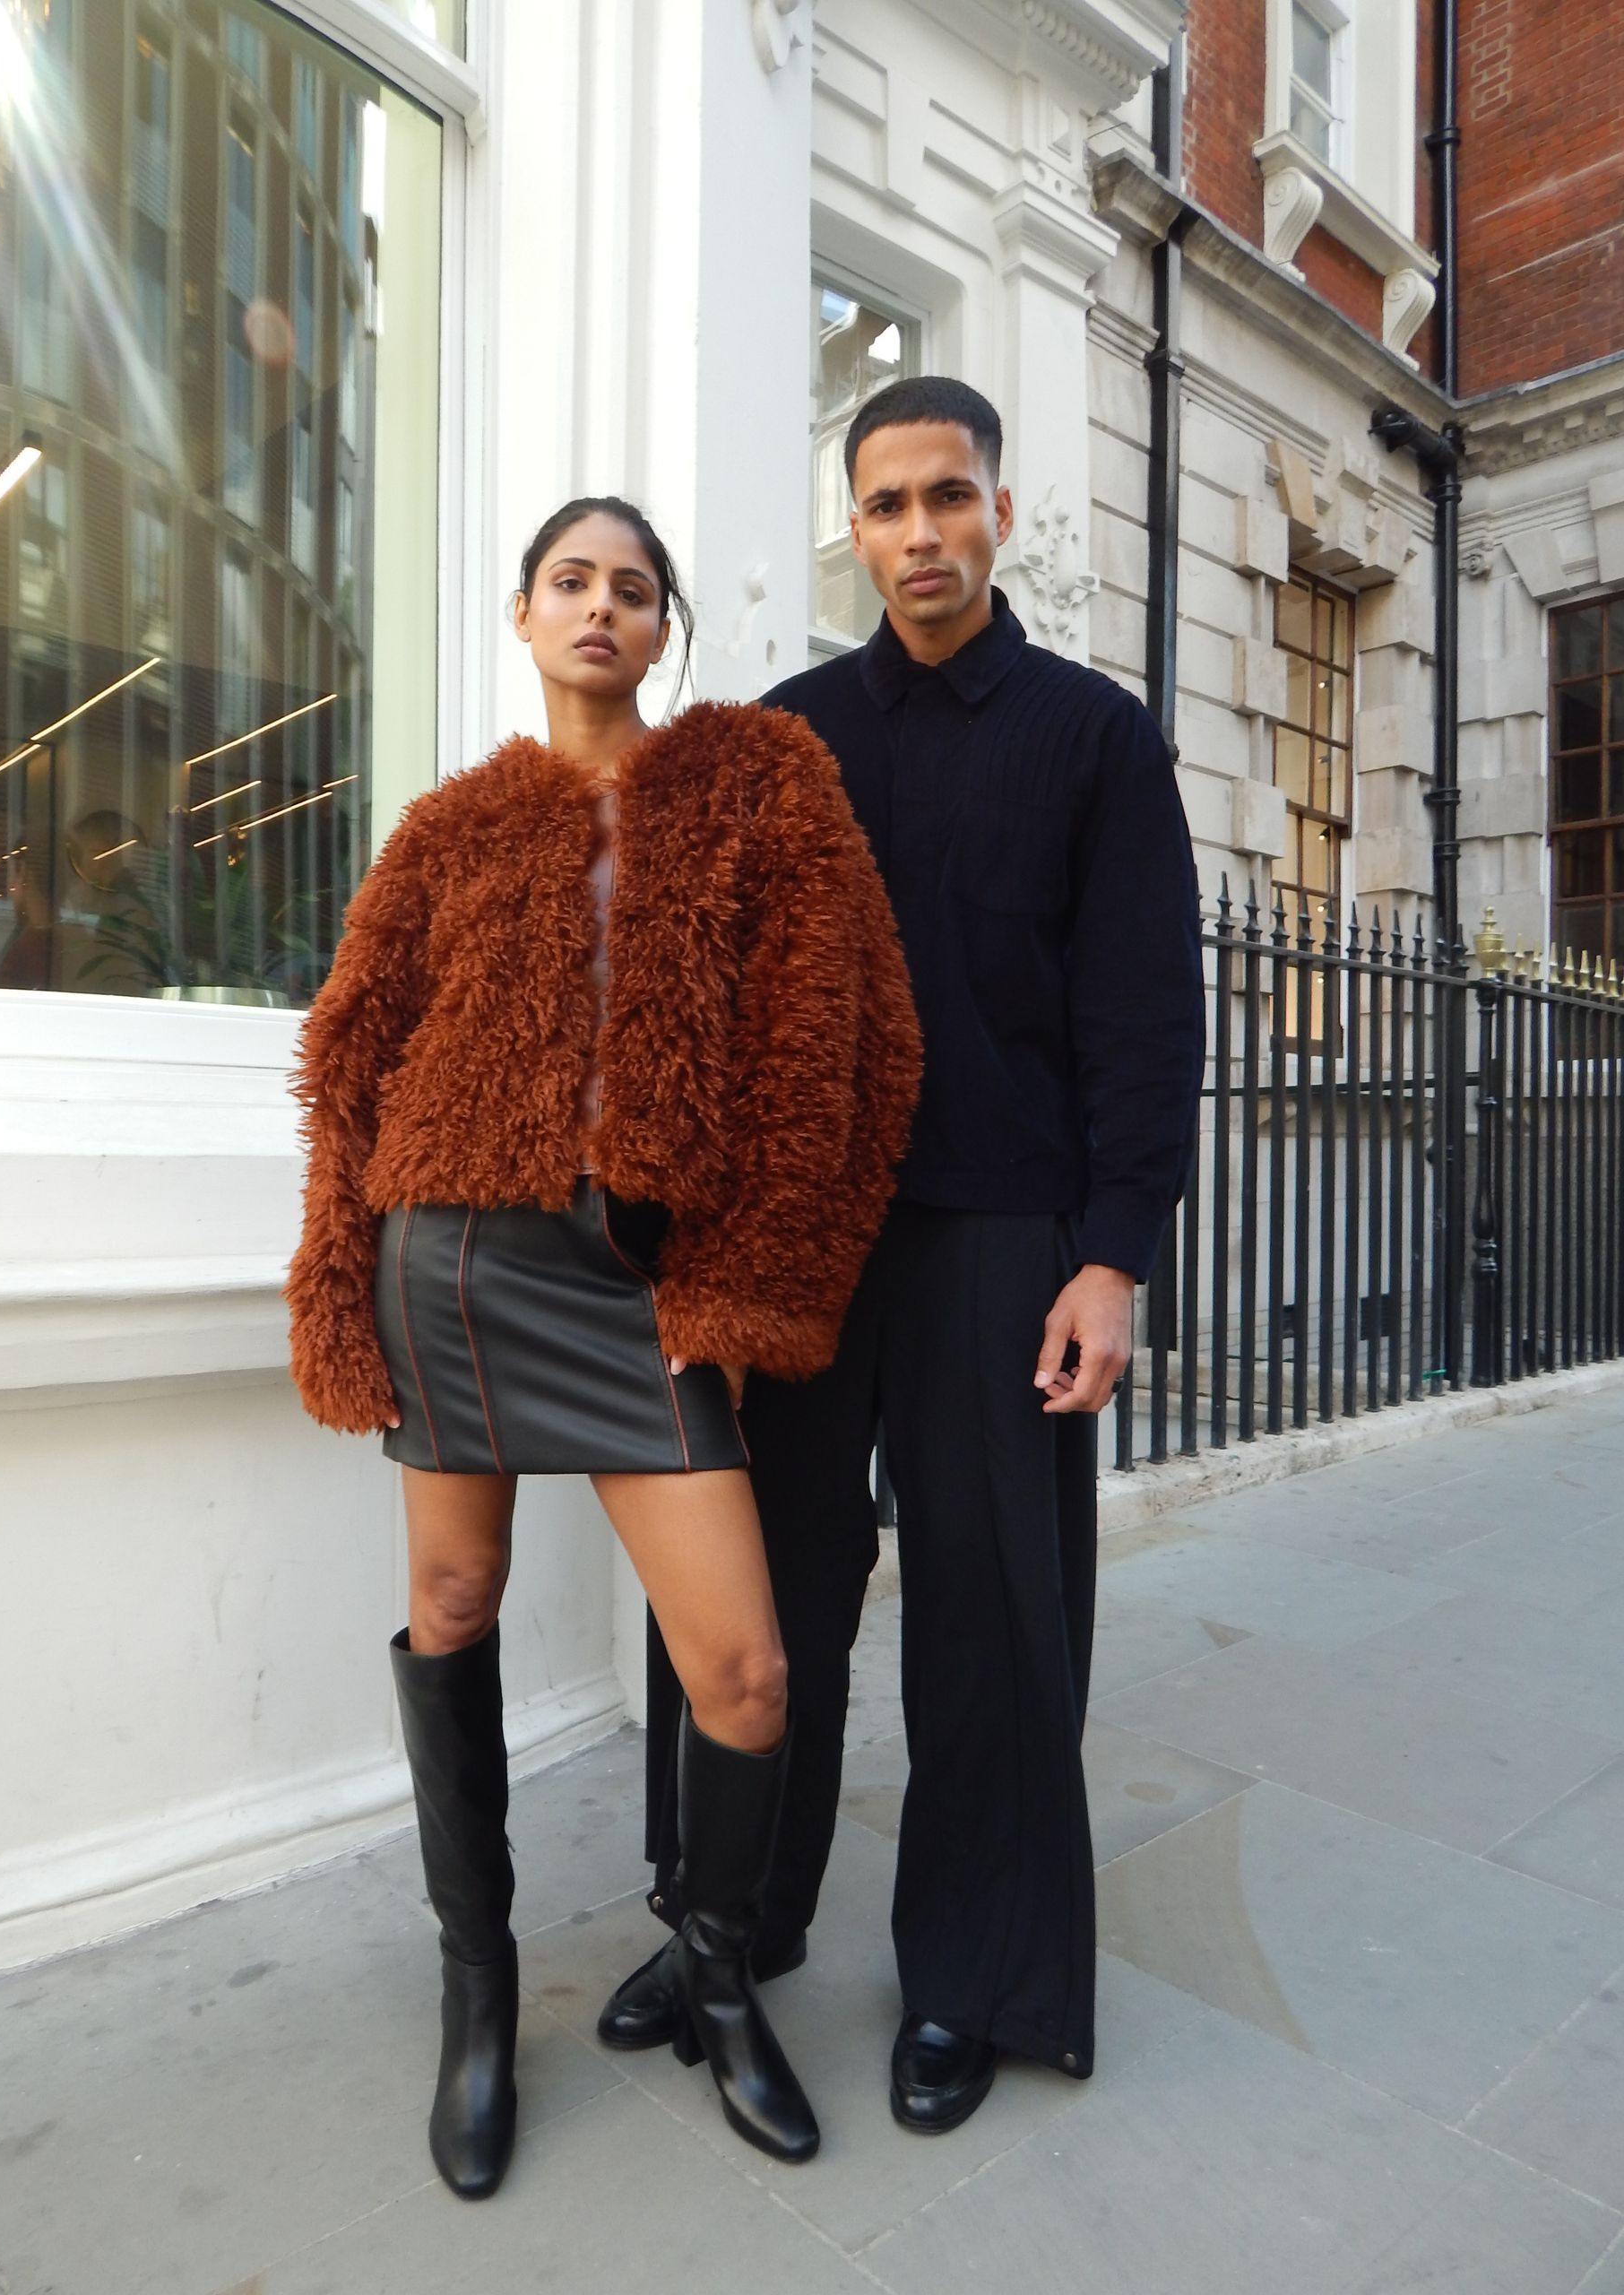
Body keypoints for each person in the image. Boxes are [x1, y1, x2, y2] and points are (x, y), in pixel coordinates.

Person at [285, 495, 920, 2197]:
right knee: (452, 1608)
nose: (600, 609)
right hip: (455, 1262)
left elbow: (860, 1034)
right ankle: (480, 1988)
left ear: (663, 630)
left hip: (634, 1283)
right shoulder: (451, 824)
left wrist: (750, 1268)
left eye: (633, 590)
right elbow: (351, 1053)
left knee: (749, 1671)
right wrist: (342, 1272)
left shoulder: (752, 787)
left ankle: (716, 1973)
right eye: (571, 582)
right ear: (522, 614)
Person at [601, 380, 1205, 2133]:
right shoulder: (778, 739)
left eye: (951, 497)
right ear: (850, 527)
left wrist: (1115, 1255)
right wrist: (658, 1250)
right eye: (886, 504)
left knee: (992, 1614)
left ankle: (973, 1972)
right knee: (752, 1594)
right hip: (790, 1238)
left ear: (1000, 515)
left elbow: (1144, 1014)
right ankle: (729, 1918)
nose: (921, 532)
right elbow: (693, 1001)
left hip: (1005, 1235)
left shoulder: (1095, 740)